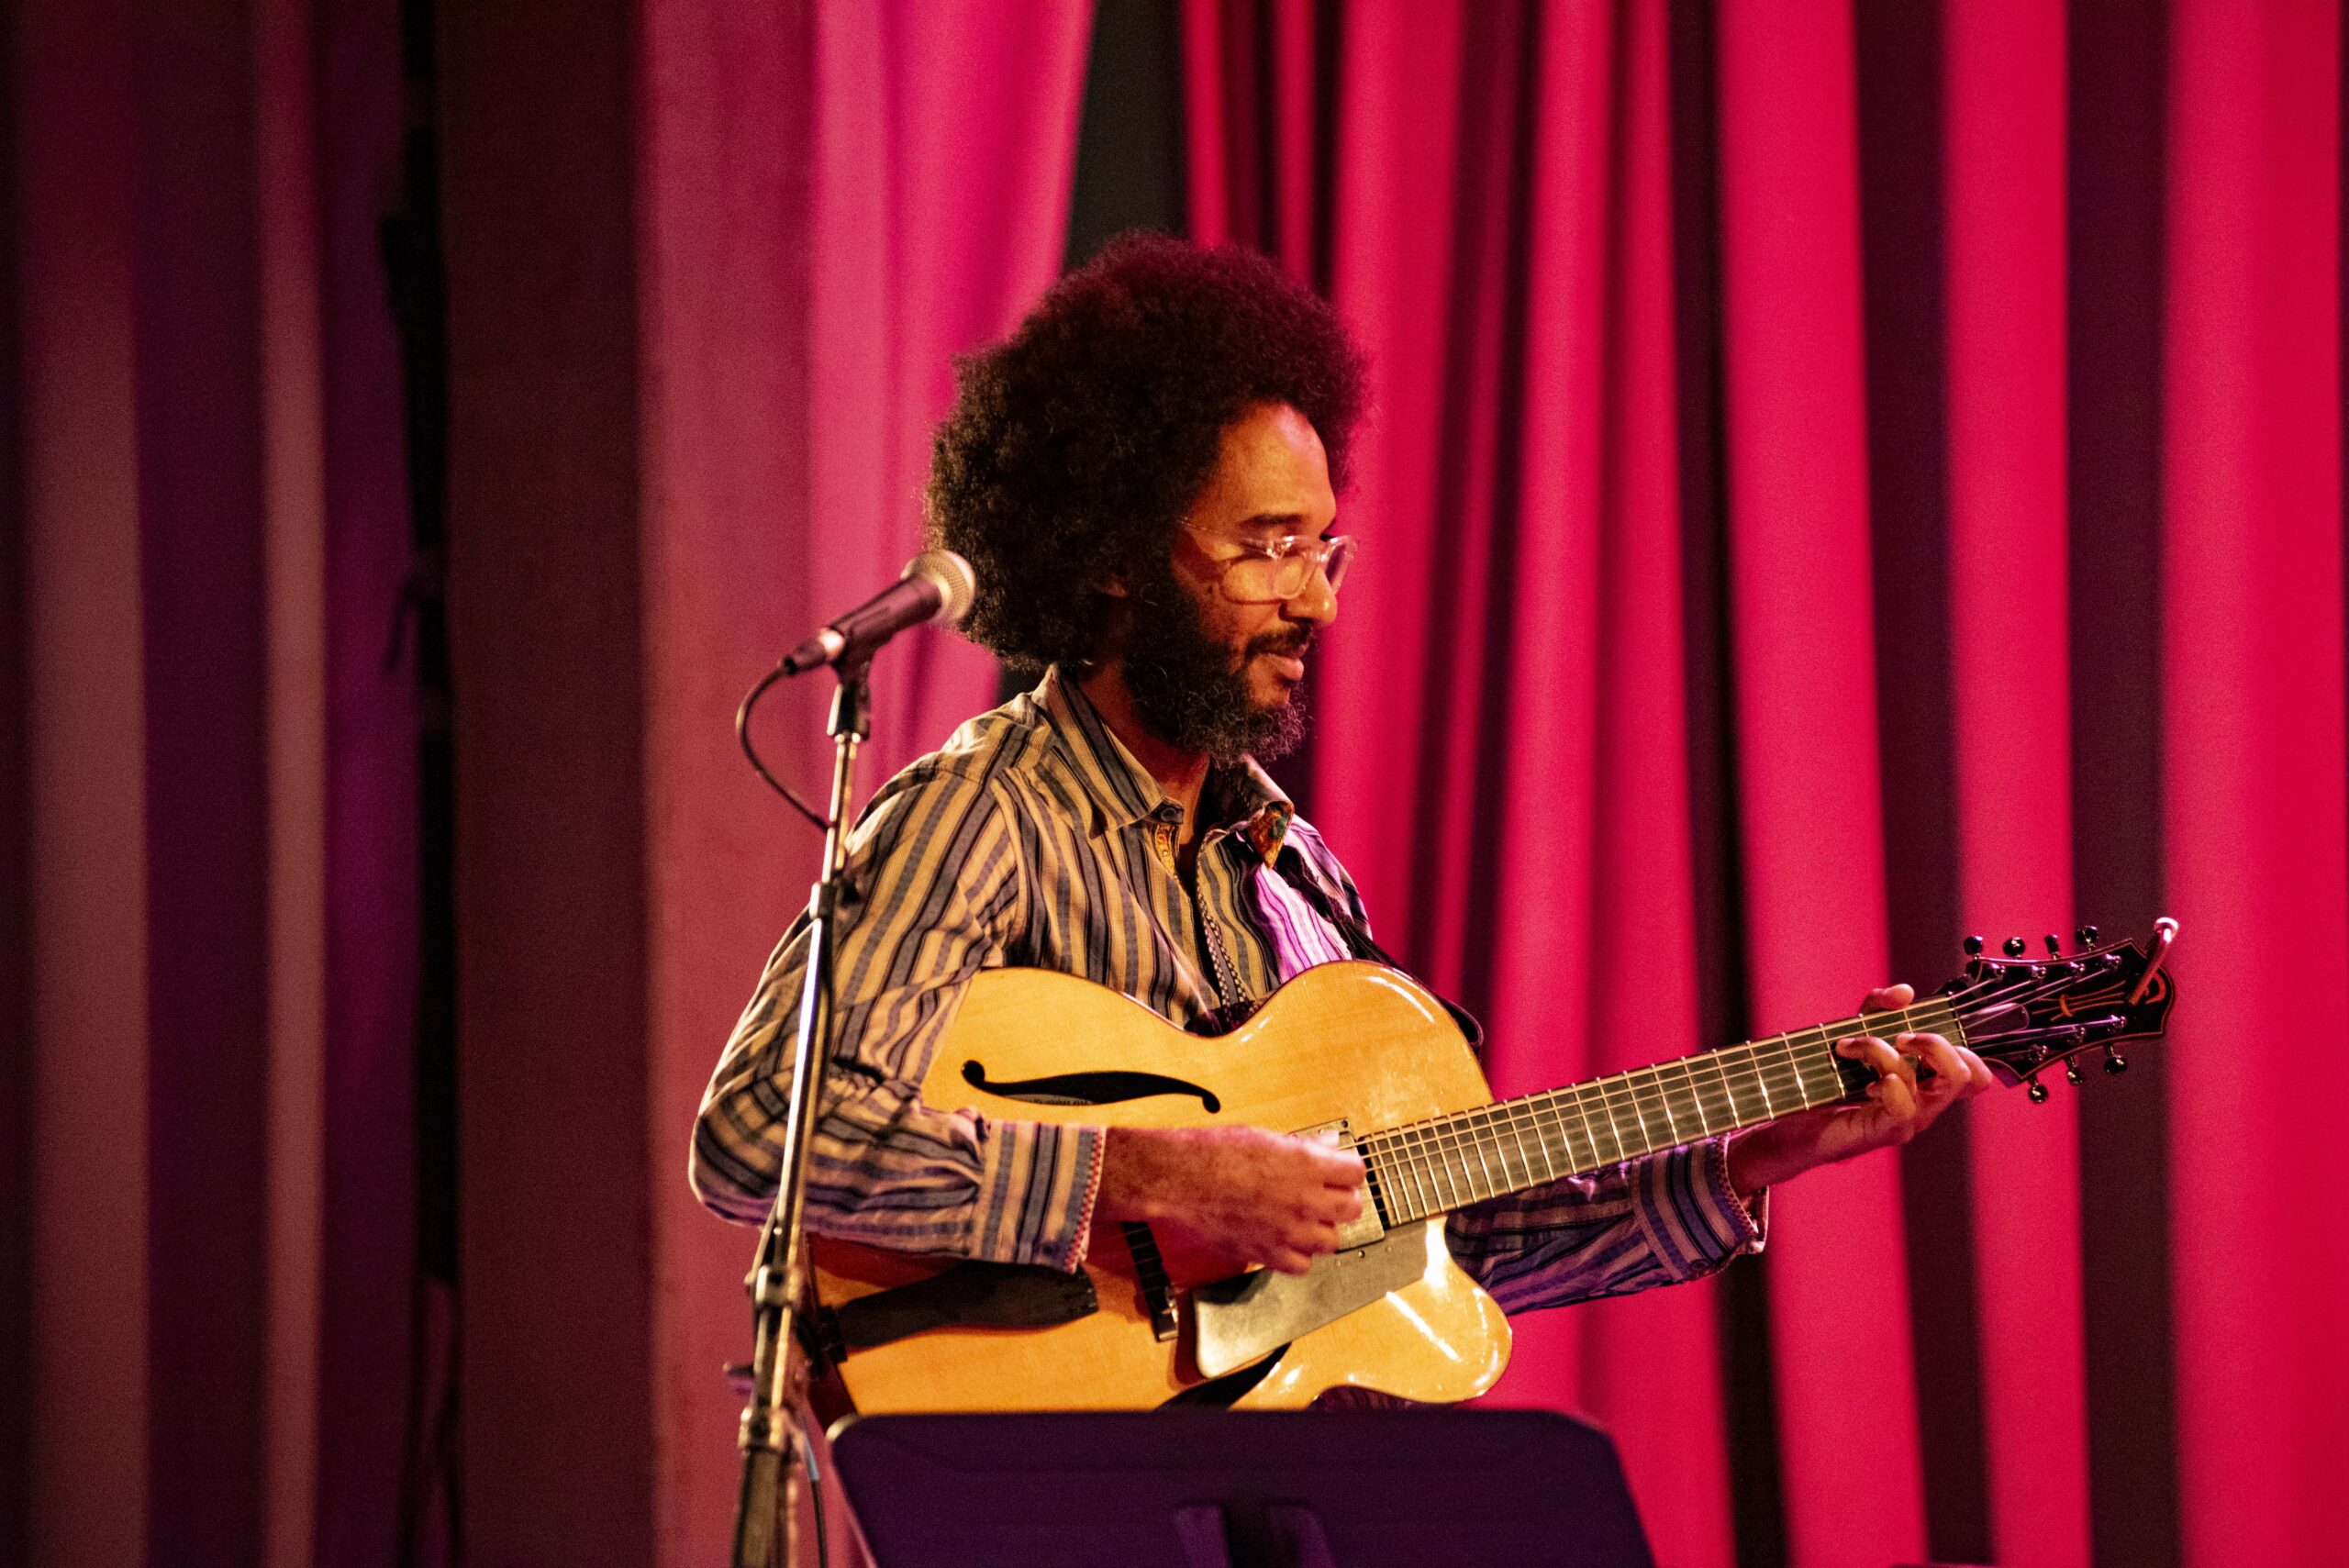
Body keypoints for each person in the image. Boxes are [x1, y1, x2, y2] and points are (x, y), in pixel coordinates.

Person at [690, 234, 1990, 1335]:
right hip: (1039, 1464)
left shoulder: (1293, 872)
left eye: (1325, 548)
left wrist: (1751, 1156)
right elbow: (756, 1132)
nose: (1313, 598)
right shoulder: (987, 817)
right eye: (1265, 550)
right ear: (1118, 556)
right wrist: (1138, 1173)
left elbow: (1418, 1256)